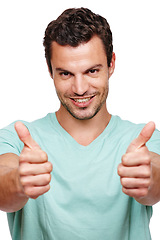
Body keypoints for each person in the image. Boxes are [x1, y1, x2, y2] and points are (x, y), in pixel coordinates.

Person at [0, 7, 160, 240]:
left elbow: (156, 178)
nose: (80, 88)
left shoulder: (143, 140)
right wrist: (18, 182)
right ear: (50, 70)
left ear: (111, 64)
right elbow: (3, 183)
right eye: (65, 74)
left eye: (92, 71)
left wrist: (150, 178)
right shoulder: (18, 138)